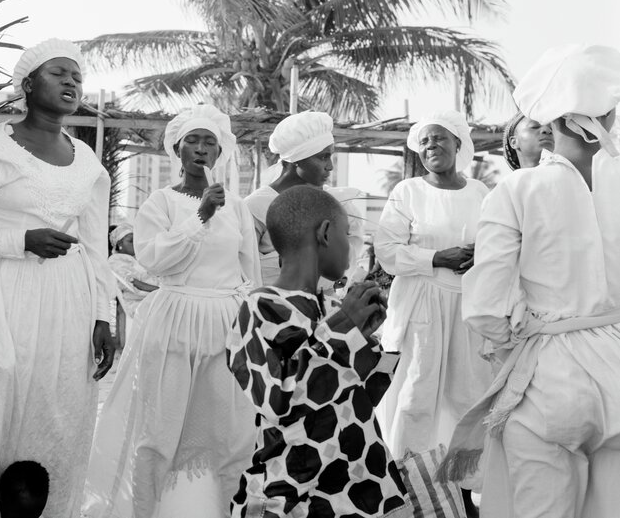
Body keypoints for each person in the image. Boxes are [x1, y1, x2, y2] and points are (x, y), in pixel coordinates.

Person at [441, 45, 620, 518]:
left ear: (549, 122)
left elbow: (485, 309)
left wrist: (516, 344)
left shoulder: (518, 189)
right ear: (609, 113)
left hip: (548, 380)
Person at [0, 38, 115, 518]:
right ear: (28, 84)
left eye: (77, 76)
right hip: (1, 296)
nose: (71, 82)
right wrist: (19, 240)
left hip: (69, 306)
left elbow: (96, 248)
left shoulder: (88, 162)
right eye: (58, 73)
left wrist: (103, 316)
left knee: (58, 413)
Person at [83, 104, 261, 518]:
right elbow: (154, 260)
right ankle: (150, 508)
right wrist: (200, 216)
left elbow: (248, 271)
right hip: (175, 321)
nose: (201, 149)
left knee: (229, 430)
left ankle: (218, 508)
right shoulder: (160, 203)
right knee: (160, 428)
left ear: (220, 153)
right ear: (177, 150)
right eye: (192, 141)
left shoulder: (236, 206)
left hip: (226, 323)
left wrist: (248, 323)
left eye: (209, 142)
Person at [227, 186, 410, 518]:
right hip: (300, 497)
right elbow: (279, 398)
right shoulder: (260, 307)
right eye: (347, 233)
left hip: (362, 489)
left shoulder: (331, 307)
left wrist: (363, 337)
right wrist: (343, 328)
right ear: (326, 233)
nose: (352, 245)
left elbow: (356, 401)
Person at [373, 109, 492, 516]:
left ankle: (463, 495)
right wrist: (437, 257)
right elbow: (387, 253)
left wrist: (480, 257)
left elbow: (500, 244)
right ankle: (410, 492)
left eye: (439, 138)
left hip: (468, 308)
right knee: (415, 398)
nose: (431, 147)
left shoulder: (481, 193)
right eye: (424, 142)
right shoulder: (407, 192)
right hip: (422, 306)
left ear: (459, 144)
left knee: (467, 396)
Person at [245, 110, 365, 289]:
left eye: (330, 156)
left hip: (326, 310)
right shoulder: (255, 207)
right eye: (323, 157)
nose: (330, 166)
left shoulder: (337, 202)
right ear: (297, 159)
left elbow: (351, 254)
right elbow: (246, 269)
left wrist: (340, 280)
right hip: (276, 310)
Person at [107, 223, 158, 345]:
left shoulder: (138, 258)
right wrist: (160, 290)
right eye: (131, 241)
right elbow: (132, 284)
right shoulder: (115, 261)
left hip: (152, 296)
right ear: (119, 244)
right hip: (137, 301)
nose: (135, 244)